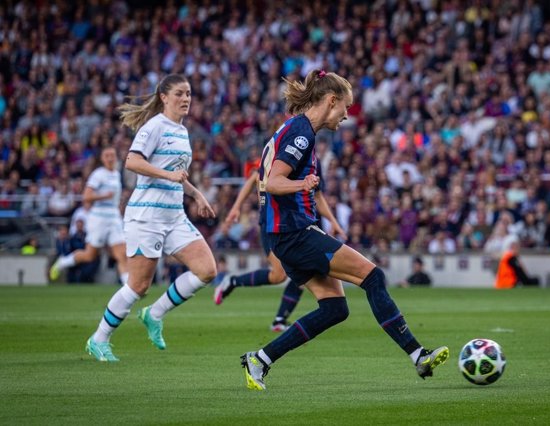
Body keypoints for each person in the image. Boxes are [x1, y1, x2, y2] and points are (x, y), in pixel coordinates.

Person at [241, 70, 449, 391]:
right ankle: (418, 354)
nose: (346, 116)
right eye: (345, 108)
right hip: (295, 234)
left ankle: (260, 359)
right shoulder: (302, 133)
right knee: (373, 277)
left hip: (285, 235)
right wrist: (302, 184)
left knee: (335, 308)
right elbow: (273, 181)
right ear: (331, 100)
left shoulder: (296, 129)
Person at [85, 74, 218, 362]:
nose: (186, 99)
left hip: (174, 216)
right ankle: (99, 338)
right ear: (164, 97)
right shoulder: (154, 126)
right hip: (147, 216)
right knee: (138, 286)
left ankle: (154, 314)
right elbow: (132, 161)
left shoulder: (182, 132)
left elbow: (176, 174)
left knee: (207, 270)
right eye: (181, 94)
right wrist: (169, 175)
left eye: (189, 94)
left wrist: (196, 194)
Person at [214, 161, 347, 333]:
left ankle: (279, 319)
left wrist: (333, 222)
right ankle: (232, 281)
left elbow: (318, 195)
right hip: (272, 224)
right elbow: (255, 176)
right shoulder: (283, 151)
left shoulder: (314, 160)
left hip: (297, 225)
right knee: (279, 275)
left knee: (304, 271)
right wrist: (236, 208)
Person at [49, 147, 129, 285]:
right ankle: (63, 262)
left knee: (121, 254)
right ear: (103, 159)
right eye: (107, 155)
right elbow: (86, 196)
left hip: (114, 217)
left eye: (112, 155)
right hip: (98, 217)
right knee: (90, 255)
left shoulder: (116, 174)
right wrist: (104, 196)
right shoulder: (98, 174)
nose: (110, 158)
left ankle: (129, 289)